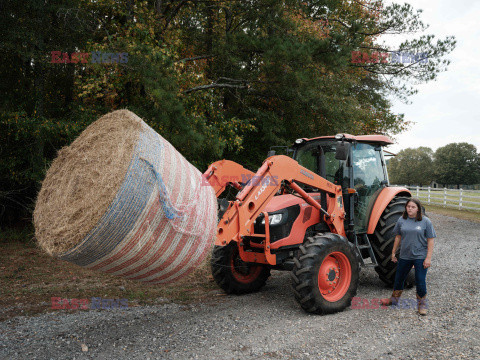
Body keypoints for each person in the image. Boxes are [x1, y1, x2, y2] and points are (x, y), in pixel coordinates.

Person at [380, 198, 436, 315]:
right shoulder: (402, 220)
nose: (410, 209)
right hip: (405, 256)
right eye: (408, 206)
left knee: (420, 281)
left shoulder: (425, 222)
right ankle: (394, 300)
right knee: (399, 278)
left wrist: (428, 258)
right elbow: (398, 237)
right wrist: (393, 252)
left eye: (413, 207)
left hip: (420, 256)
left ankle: (422, 305)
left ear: (418, 209)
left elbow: (430, 240)